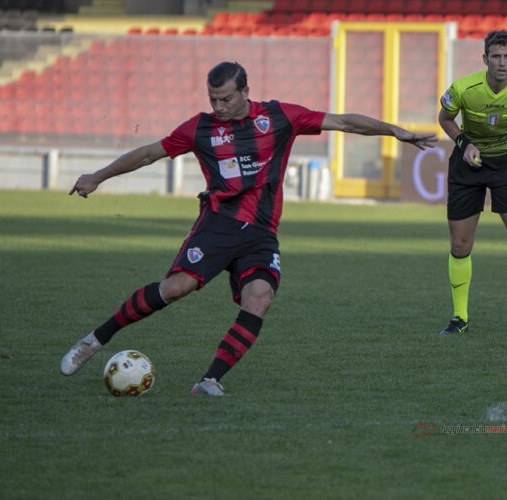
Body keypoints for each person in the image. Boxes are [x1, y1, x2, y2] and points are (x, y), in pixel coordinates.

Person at [60, 61, 438, 395]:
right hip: (218, 225)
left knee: (259, 299)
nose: (219, 107)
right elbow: (147, 154)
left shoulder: (278, 118)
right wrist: (98, 175)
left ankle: (209, 381)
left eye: (225, 99)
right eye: (213, 100)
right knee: (177, 288)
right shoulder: (200, 129)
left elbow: (342, 121)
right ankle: (95, 339)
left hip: (260, 233)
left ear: (245, 92)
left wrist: (395, 131)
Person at [436, 30, 507, 340]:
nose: (502, 62)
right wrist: (464, 143)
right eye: (495, 57)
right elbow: (445, 118)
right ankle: (460, 317)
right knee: (460, 245)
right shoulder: (463, 89)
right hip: (468, 164)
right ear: (485, 59)